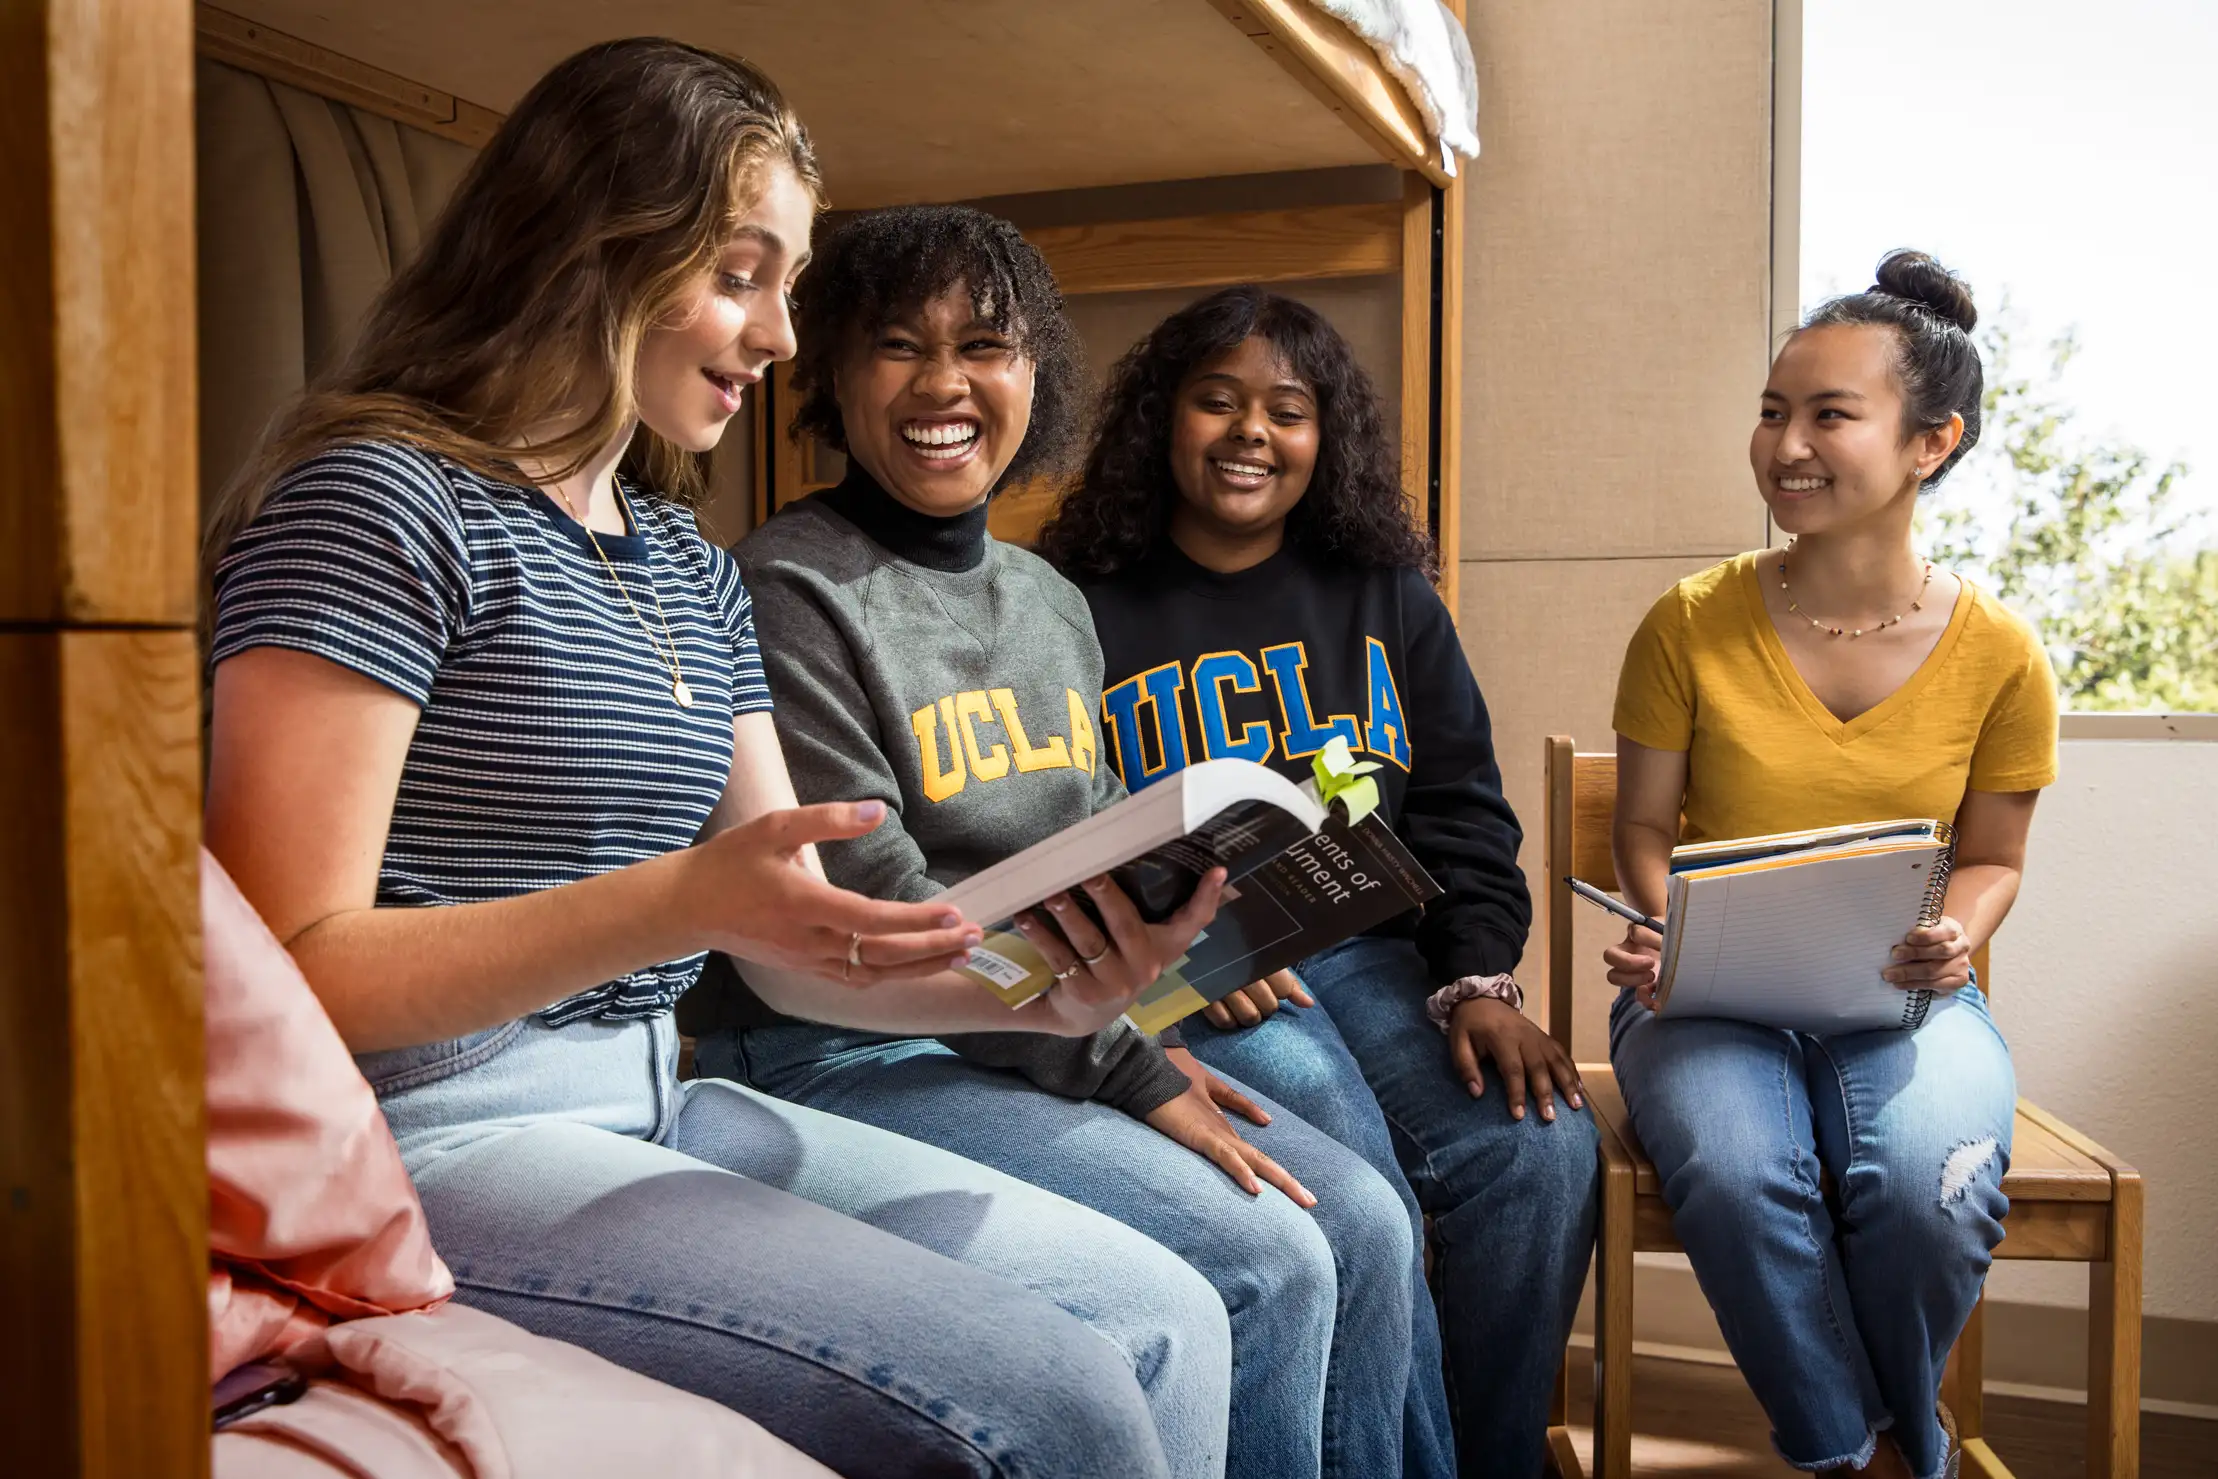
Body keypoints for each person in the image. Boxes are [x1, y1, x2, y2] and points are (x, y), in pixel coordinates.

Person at [202, 39, 1238, 1479]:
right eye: (740, 273)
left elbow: (799, 951)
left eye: (788, 287)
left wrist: (1045, 988)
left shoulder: (681, 560)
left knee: (1169, 1308)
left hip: (651, 1095)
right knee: (1056, 1394)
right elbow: (290, 970)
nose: (780, 339)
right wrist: (674, 901)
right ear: (589, 250)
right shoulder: (378, 501)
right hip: (430, 1133)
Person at [683, 207, 1421, 1479]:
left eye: (985, 346)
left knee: (1368, 1220)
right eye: (898, 347)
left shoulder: (1046, 600)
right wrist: (1130, 1072)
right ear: (832, 375)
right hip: (855, 1039)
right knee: (1270, 1261)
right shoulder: (787, 588)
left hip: (1048, 1021)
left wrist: (1199, 921)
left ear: (1037, 377)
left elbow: (1087, 841)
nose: (944, 385)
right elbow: (877, 913)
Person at [1036, 284, 1601, 1479]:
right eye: (1218, 401)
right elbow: (1045, 826)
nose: (1251, 432)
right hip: (1202, 979)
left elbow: (1460, 813)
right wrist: (1164, 949)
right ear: (1162, 421)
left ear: (1321, 438)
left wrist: (1479, 982)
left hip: (1377, 959)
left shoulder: (1386, 597)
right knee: (1354, 1180)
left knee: (1542, 1153)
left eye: (1285, 411)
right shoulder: (1070, 603)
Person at [1603, 250, 2058, 1479]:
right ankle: (1864, 1452)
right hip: (1702, 996)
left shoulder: (2003, 653)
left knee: (1929, 1189)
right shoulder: (1688, 622)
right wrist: (1672, 925)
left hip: (1903, 1000)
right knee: (1746, 1173)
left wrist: (1957, 935)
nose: (1785, 443)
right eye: (1770, 411)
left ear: (1930, 442)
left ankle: (1878, 1440)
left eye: (1827, 415)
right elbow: (1640, 832)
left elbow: (1994, 857)